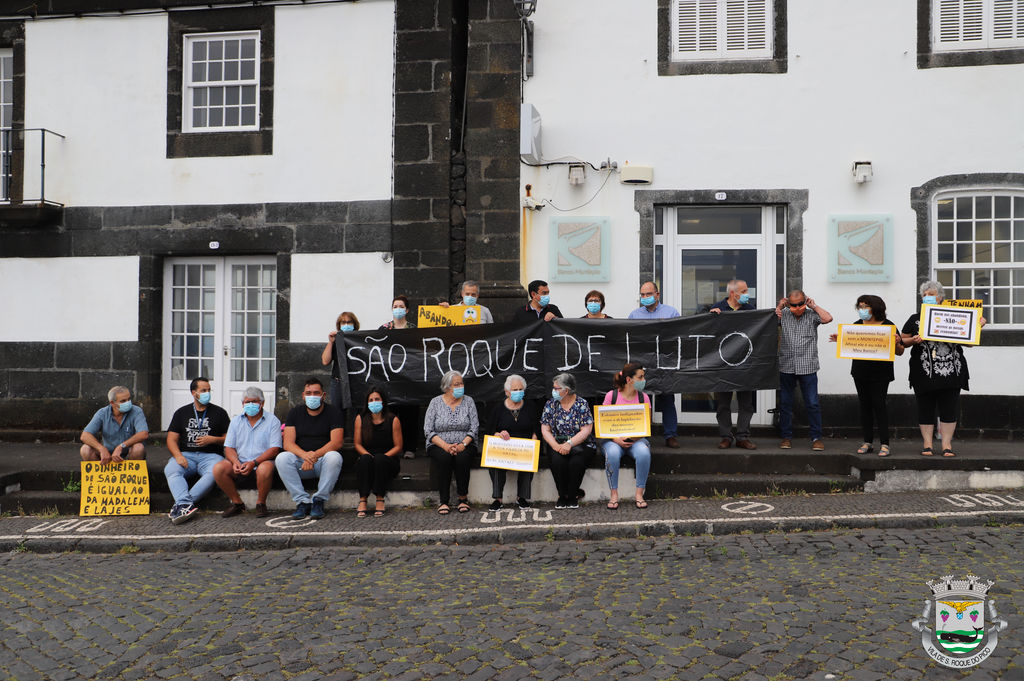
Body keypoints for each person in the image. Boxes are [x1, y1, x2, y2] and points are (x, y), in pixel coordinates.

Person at [901, 281, 985, 458]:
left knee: (949, 408)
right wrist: (914, 340)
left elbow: (968, 344)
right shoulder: (914, 318)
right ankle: (927, 444)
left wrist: (977, 326)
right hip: (924, 371)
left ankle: (946, 445)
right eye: (924, 295)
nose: (927, 298)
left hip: (952, 370)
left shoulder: (956, 316)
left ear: (940, 298)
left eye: (931, 294)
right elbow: (902, 341)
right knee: (925, 407)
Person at [829, 295, 903, 457]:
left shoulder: (889, 326)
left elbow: (900, 352)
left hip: (881, 374)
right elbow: (851, 345)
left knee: (879, 406)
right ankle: (867, 442)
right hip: (860, 372)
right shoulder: (856, 325)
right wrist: (839, 340)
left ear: (876, 308)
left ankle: (885, 444)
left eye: (865, 307)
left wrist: (897, 342)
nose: (862, 310)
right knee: (865, 407)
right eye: (860, 307)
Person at [164, 377, 230, 524]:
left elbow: (229, 439)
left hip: (211, 456)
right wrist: (178, 456)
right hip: (187, 455)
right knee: (171, 469)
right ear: (194, 393)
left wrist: (213, 439)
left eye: (208, 390)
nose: (207, 393)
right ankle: (185, 504)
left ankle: (183, 504)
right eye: (203, 390)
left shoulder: (220, 413)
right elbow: (171, 439)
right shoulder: (181, 413)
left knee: (214, 471)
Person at [275, 378, 345, 519]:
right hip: (302, 463)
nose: (312, 396)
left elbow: (336, 442)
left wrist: (314, 456)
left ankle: (319, 500)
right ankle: (302, 501)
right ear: (303, 395)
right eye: (308, 393)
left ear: (323, 395)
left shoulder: (334, 413)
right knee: (282, 458)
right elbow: (288, 443)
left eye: (316, 393)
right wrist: (305, 456)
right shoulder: (295, 413)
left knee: (334, 457)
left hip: (322, 463)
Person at [774, 290, 833, 451]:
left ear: (805, 301)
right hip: (786, 365)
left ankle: (816, 438)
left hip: (808, 366)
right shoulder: (784, 314)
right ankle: (786, 437)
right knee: (785, 403)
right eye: (794, 305)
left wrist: (814, 306)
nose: (798, 307)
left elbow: (828, 318)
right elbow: (769, 322)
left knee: (812, 403)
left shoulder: (811, 315)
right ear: (788, 303)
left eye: (801, 303)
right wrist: (779, 306)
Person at [627, 281, 681, 448]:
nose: (645, 297)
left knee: (667, 399)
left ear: (657, 295)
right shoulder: (634, 315)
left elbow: (679, 335)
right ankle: (642, 435)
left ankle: (670, 435)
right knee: (642, 401)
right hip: (641, 365)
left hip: (664, 364)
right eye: (642, 295)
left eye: (648, 294)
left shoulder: (671, 312)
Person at [213, 387, 282, 518]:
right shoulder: (235, 421)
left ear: (262, 403)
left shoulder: (273, 421)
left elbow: (274, 449)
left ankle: (261, 503)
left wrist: (254, 462)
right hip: (241, 463)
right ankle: (237, 503)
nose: (250, 405)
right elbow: (229, 447)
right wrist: (235, 462)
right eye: (247, 402)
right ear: (242, 404)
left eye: (254, 401)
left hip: (261, 462)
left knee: (265, 468)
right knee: (219, 468)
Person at [709, 279, 757, 449]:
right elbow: (703, 327)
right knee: (723, 403)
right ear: (732, 293)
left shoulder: (750, 310)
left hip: (745, 364)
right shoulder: (718, 308)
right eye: (743, 291)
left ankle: (742, 437)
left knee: (746, 403)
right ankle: (726, 437)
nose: (747, 295)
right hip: (723, 364)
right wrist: (709, 316)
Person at [424, 370, 479, 514]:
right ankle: (444, 501)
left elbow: (474, 427)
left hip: (465, 443)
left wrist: (463, 445)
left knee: (462, 458)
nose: (461, 386)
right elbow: (428, 430)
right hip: (439, 444)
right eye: (457, 384)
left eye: (461, 383)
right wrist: (446, 446)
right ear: (447, 387)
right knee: (444, 458)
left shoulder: (469, 401)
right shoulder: (435, 403)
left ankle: (463, 498)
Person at [600, 363, 652, 510]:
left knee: (643, 453)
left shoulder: (644, 397)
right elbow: (604, 423)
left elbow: (646, 425)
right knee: (613, 453)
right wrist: (617, 439)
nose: (644, 380)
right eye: (640, 377)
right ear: (629, 379)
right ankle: (614, 494)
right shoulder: (612, 396)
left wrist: (633, 439)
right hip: (614, 440)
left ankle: (639, 494)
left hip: (636, 439)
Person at [541, 373, 596, 509]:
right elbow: (545, 429)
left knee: (576, 462)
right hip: (557, 443)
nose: (554, 391)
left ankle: (572, 495)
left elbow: (586, 429)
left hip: (580, 443)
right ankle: (562, 495)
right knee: (557, 462)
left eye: (557, 388)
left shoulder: (582, 404)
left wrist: (569, 444)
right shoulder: (551, 404)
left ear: (566, 390)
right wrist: (555, 445)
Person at [485, 374, 539, 510]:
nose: (518, 392)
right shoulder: (498, 408)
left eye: (521, 389)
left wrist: (534, 438)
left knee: (529, 460)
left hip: (524, 447)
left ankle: (522, 497)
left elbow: (537, 429)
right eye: (515, 390)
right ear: (507, 392)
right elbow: (489, 431)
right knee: (495, 463)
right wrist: (498, 434)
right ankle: (498, 498)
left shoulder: (531, 406)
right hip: (504, 447)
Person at [352, 385, 403, 517]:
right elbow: (357, 444)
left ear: (383, 401)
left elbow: (398, 446)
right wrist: (368, 456)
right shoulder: (360, 419)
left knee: (380, 459)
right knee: (364, 460)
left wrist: (383, 457)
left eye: (377, 399)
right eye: (371, 400)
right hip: (368, 459)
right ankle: (363, 499)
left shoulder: (393, 419)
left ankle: (380, 497)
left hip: (388, 460)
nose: (374, 402)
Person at [378, 296, 419, 458]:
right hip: (390, 379)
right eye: (395, 306)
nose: (398, 308)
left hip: (409, 378)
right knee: (390, 414)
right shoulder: (384, 329)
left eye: (401, 306)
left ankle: (410, 448)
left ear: (407, 310)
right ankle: (392, 447)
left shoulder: (415, 329)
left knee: (410, 414)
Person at [80, 386, 149, 463]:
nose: (128, 402)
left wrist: (121, 446)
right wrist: (102, 449)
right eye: (123, 401)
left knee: (138, 448)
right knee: (85, 449)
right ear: (112, 403)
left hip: (129, 453)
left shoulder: (136, 411)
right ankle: (102, 473)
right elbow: (85, 436)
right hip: (107, 454)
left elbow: (144, 434)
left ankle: (131, 474)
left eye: (129, 399)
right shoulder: (102, 413)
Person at [321, 311, 360, 413]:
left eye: (349, 322)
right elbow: (325, 361)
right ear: (339, 325)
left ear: (354, 324)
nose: (346, 325)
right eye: (343, 322)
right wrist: (330, 342)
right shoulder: (336, 340)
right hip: (338, 382)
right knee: (337, 413)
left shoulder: (359, 340)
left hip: (356, 382)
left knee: (355, 413)